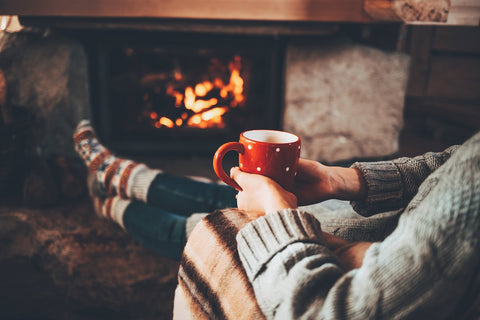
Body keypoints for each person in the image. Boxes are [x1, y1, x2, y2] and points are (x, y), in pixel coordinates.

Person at [74, 120, 480, 319]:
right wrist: (344, 179)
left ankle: (109, 201)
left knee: (214, 225)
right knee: (235, 193)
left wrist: (274, 216)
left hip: (354, 268)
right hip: (385, 229)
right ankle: (118, 175)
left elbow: (327, 311)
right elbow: (450, 162)